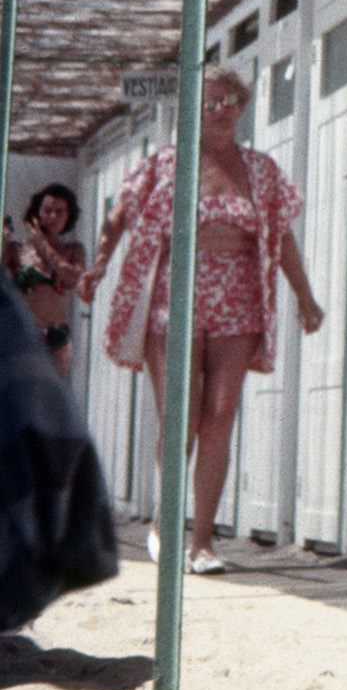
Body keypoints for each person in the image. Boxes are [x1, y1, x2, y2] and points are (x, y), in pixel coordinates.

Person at [77, 66, 325, 573]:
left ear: (243, 105)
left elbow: (282, 236)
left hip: (239, 297)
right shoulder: (166, 163)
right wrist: (100, 263)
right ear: (192, 107)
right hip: (173, 293)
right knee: (181, 417)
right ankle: (166, 526)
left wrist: (305, 297)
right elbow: (120, 213)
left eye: (231, 100)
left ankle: (204, 542)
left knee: (219, 417)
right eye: (210, 101)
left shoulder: (260, 169)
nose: (221, 110)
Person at [6, 185, 83, 380]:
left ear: (68, 216)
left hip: (57, 336)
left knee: (54, 397)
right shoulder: (17, 250)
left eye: (60, 211)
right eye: (47, 210)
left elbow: (74, 278)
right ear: (37, 213)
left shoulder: (73, 251)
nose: (53, 217)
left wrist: (44, 246)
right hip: (24, 336)